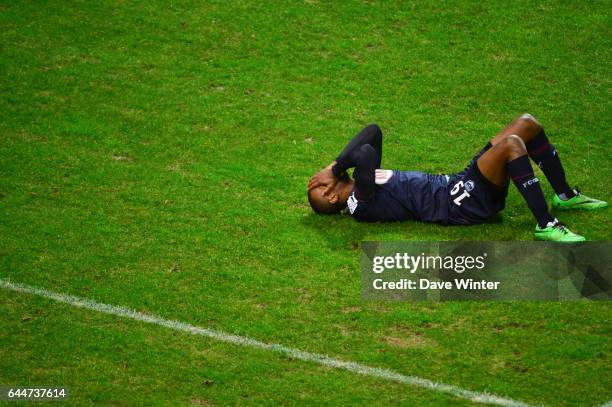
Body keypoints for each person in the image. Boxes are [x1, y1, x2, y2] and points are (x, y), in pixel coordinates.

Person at [307, 114, 607, 242]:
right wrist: (335, 170)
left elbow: (372, 130)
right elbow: (366, 152)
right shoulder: (361, 202)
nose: (320, 178)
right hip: (461, 203)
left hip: (456, 184)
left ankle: (565, 196)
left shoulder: (362, 182)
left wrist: (334, 167)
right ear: (333, 198)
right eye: (320, 187)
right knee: (513, 145)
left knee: (525, 124)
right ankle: (546, 225)